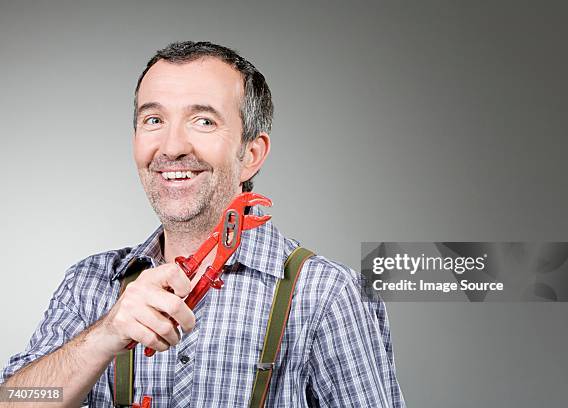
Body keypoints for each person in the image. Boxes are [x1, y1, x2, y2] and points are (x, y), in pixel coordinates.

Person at [1, 41, 405, 407]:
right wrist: (104, 336)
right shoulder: (88, 286)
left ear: (250, 153)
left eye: (204, 121)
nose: (172, 147)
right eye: (154, 120)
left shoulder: (326, 295)